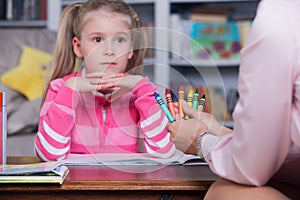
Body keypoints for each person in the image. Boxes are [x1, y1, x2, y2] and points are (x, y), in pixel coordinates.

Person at [166, 0, 300, 199]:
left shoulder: (279, 16)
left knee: (224, 191)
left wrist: (200, 141)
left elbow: (253, 169)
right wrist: (222, 134)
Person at [34, 0, 175, 161]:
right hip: (74, 184)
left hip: (125, 184)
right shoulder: (61, 88)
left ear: (130, 49)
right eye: (98, 39)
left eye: (119, 40)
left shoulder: (143, 92)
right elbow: (48, 154)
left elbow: (165, 152)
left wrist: (142, 90)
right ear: (78, 47)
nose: (109, 51)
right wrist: (70, 90)